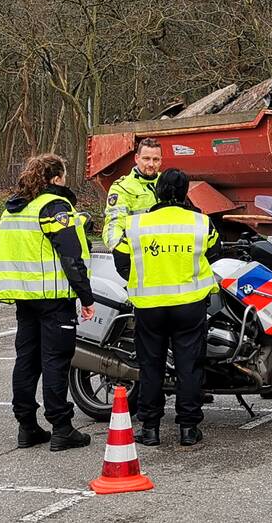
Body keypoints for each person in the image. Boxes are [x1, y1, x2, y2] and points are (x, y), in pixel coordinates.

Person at [0, 154, 95, 451]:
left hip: (24, 298)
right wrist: (86, 296)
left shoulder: (13, 209)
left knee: (27, 360)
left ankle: (27, 426)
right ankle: (61, 427)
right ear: (56, 178)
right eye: (63, 175)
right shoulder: (55, 206)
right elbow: (71, 257)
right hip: (53, 297)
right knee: (56, 361)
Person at [113, 169, 220, 447]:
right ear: (186, 193)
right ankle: (188, 428)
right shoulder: (201, 223)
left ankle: (150, 429)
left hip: (149, 307)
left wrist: (141, 279)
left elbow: (121, 261)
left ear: (157, 191)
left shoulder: (137, 225)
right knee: (189, 366)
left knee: (151, 367)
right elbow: (216, 254)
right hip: (189, 305)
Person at [102, 138, 162, 253]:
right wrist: (119, 251)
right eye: (146, 159)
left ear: (161, 161)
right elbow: (114, 223)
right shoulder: (122, 188)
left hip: (165, 254)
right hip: (137, 254)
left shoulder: (167, 183)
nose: (151, 164)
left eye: (155, 159)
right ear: (136, 158)